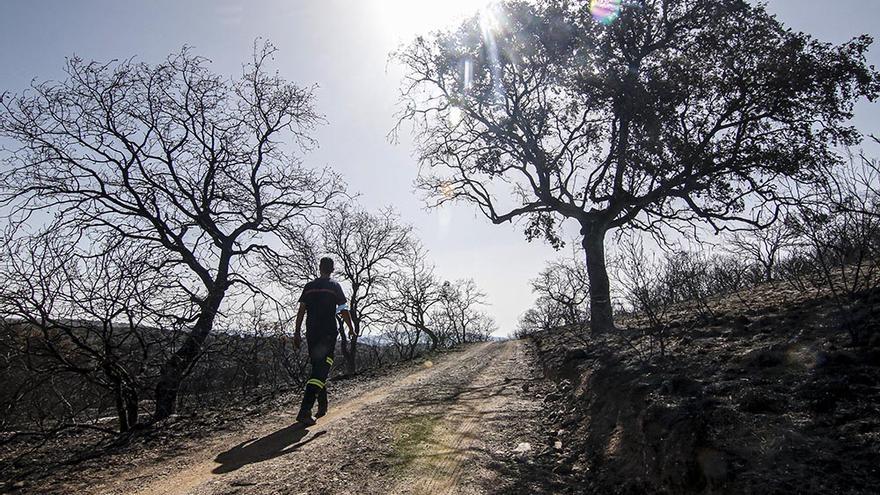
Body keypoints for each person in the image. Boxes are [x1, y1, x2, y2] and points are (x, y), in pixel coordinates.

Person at [293, 257, 356, 425]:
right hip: (327, 333)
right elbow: (343, 309)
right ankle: (305, 410)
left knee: (317, 368)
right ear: (332, 269)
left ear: (319, 267)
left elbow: (301, 311)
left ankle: (322, 405)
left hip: (311, 333)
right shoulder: (334, 286)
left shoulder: (309, 287)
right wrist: (351, 327)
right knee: (322, 368)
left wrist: (297, 332)